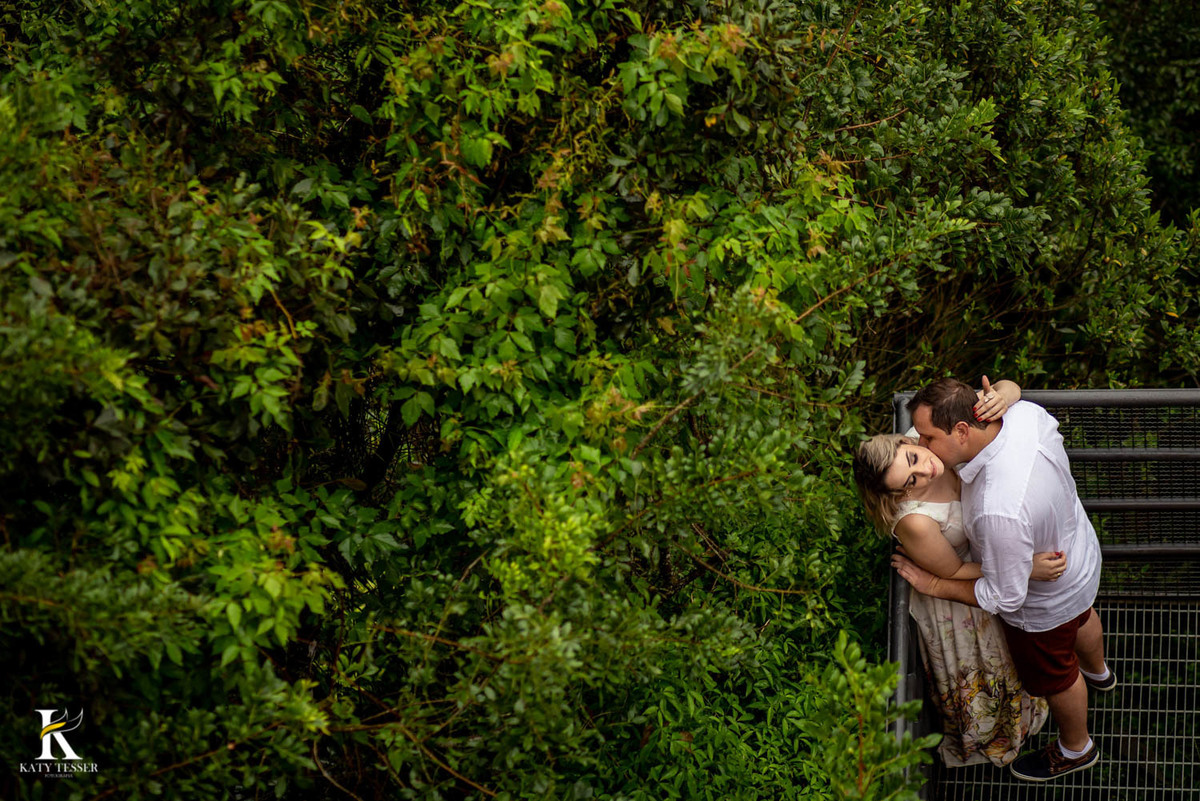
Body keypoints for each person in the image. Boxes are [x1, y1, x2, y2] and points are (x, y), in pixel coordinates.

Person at [893, 377, 1115, 783]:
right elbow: (1008, 396)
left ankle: (1076, 748)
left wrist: (937, 586)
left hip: (1044, 602)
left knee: (1059, 676)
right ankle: (1100, 673)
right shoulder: (1025, 416)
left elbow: (1006, 595)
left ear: (962, 429)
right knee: (1083, 617)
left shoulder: (999, 508)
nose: (921, 446)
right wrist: (1010, 389)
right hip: (1079, 557)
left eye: (927, 437)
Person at [853, 378, 1059, 768]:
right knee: (987, 668)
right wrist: (1024, 566)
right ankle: (991, 740)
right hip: (956, 591)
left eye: (913, 459)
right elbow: (956, 569)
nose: (925, 472)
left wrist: (1005, 395)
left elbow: (1005, 389)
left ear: (906, 441)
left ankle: (1029, 716)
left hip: (991, 564)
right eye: (908, 483)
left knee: (1013, 655)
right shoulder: (915, 522)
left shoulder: (926, 433)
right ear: (897, 495)